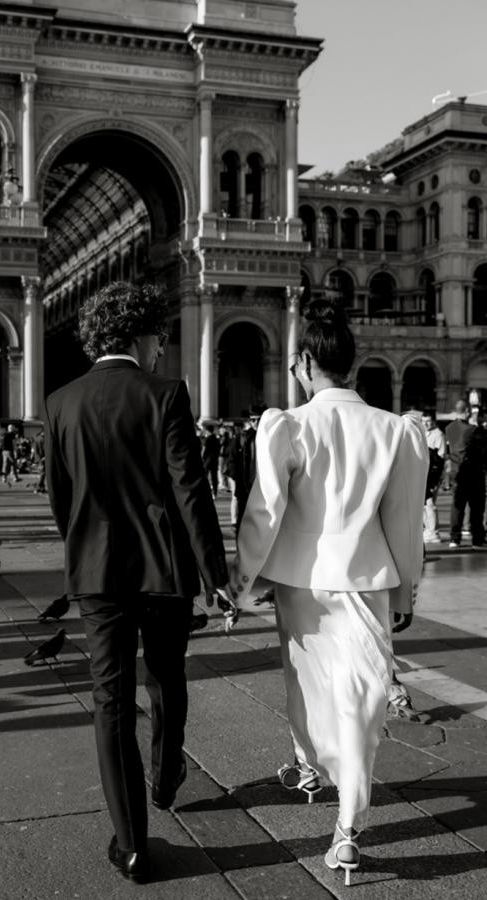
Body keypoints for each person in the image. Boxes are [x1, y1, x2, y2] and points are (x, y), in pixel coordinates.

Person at [220, 299, 428, 885]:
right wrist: (406, 592)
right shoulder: (396, 431)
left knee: (307, 682)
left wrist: (241, 584)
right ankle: (347, 826)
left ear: (308, 362)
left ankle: (312, 767)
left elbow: (263, 515)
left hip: (302, 580)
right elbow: (404, 522)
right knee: (361, 699)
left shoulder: (288, 425)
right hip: (367, 578)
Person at [44, 282, 228, 884]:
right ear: (139, 335)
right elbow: (191, 492)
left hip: (96, 575)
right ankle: (165, 775)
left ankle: (130, 845)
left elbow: (60, 496)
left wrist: (83, 545)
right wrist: (214, 575)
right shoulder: (165, 395)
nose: (161, 351)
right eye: (159, 339)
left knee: (110, 700)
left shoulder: (60, 402)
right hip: (164, 571)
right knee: (167, 677)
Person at [446, 400, 487, 548]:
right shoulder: (474, 429)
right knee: (476, 506)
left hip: (457, 471)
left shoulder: (449, 428)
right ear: (468, 411)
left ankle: (454, 538)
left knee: (457, 505)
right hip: (474, 471)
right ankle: (477, 539)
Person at [226, 405, 266, 534]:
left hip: (264, 488)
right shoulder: (242, 437)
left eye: (259, 419)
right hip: (245, 486)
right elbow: (231, 459)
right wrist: (235, 477)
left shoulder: (270, 436)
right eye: (253, 420)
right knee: (243, 525)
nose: (256, 423)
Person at [421, 410, 446, 544]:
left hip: (433, 475)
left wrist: (437, 478)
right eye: (423, 421)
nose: (425, 424)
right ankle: (428, 529)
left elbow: (440, 457)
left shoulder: (439, 435)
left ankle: (433, 532)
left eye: (428, 421)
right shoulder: (423, 433)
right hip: (423, 474)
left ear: (434, 421)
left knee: (430, 503)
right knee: (423, 503)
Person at [202, 424, 220, 498]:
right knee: (214, 477)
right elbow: (218, 449)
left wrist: (202, 459)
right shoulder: (216, 439)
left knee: (205, 476)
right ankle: (214, 492)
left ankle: (205, 491)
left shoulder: (206, 439)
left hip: (207, 460)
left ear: (207, 431)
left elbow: (204, 450)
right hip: (214, 459)